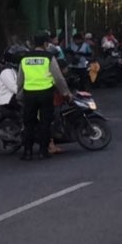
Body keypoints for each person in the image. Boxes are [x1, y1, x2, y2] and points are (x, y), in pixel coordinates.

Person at [16, 32, 72, 161]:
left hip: (29, 94)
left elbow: (20, 79)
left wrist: (19, 94)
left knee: (29, 123)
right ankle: (43, 151)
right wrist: (66, 93)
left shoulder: (25, 57)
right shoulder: (48, 57)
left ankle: (27, 152)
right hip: (45, 93)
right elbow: (58, 78)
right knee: (45, 123)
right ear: (45, 44)